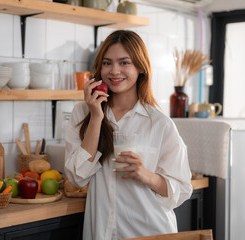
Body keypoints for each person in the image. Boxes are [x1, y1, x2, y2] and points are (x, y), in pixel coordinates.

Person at [64, 30, 193, 240]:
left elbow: (182, 189)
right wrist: (96, 117)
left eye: (124, 63)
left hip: (150, 232)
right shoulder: (83, 113)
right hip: (101, 233)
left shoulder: (159, 123)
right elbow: (77, 178)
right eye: (107, 63)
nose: (114, 71)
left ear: (141, 67)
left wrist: (146, 174)